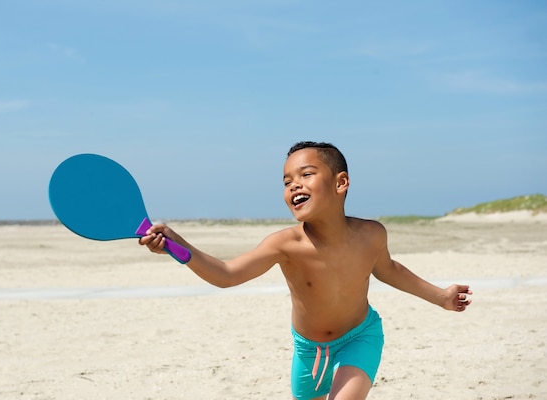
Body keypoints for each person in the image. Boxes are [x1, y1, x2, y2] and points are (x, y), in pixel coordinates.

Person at [139, 141, 472, 400]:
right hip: (309, 350)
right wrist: (174, 244)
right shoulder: (284, 245)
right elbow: (226, 275)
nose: (294, 185)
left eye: (306, 174)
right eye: (287, 181)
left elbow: (389, 270)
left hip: (361, 336)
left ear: (341, 182)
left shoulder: (371, 234)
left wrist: (441, 296)